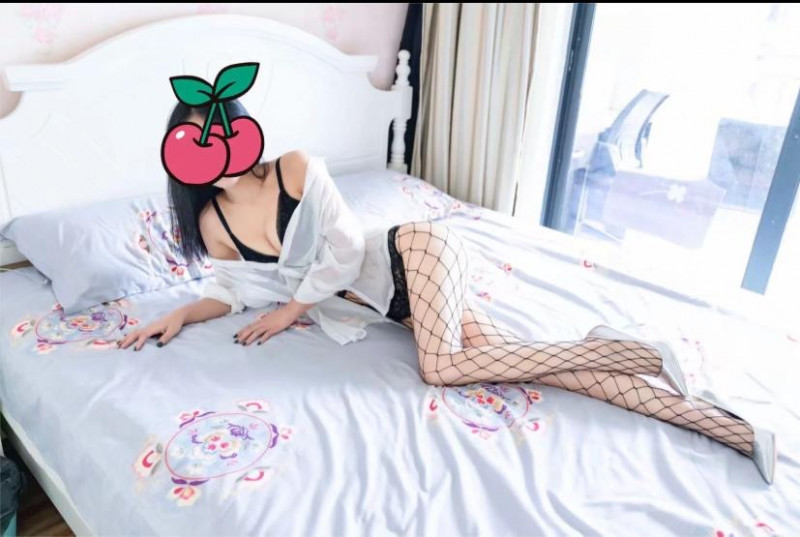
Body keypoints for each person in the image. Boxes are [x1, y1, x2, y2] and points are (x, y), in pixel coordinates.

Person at [119, 101, 775, 484]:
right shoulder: (214, 221)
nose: (217, 148)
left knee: (441, 367)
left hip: (414, 252)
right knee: (537, 366)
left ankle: (640, 352)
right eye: (200, 140)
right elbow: (233, 289)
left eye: (223, 131)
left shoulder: (293, 166)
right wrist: (180, 313)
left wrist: (295, 308)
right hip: (399, 303)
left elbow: (344, 249)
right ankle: (725, 426)